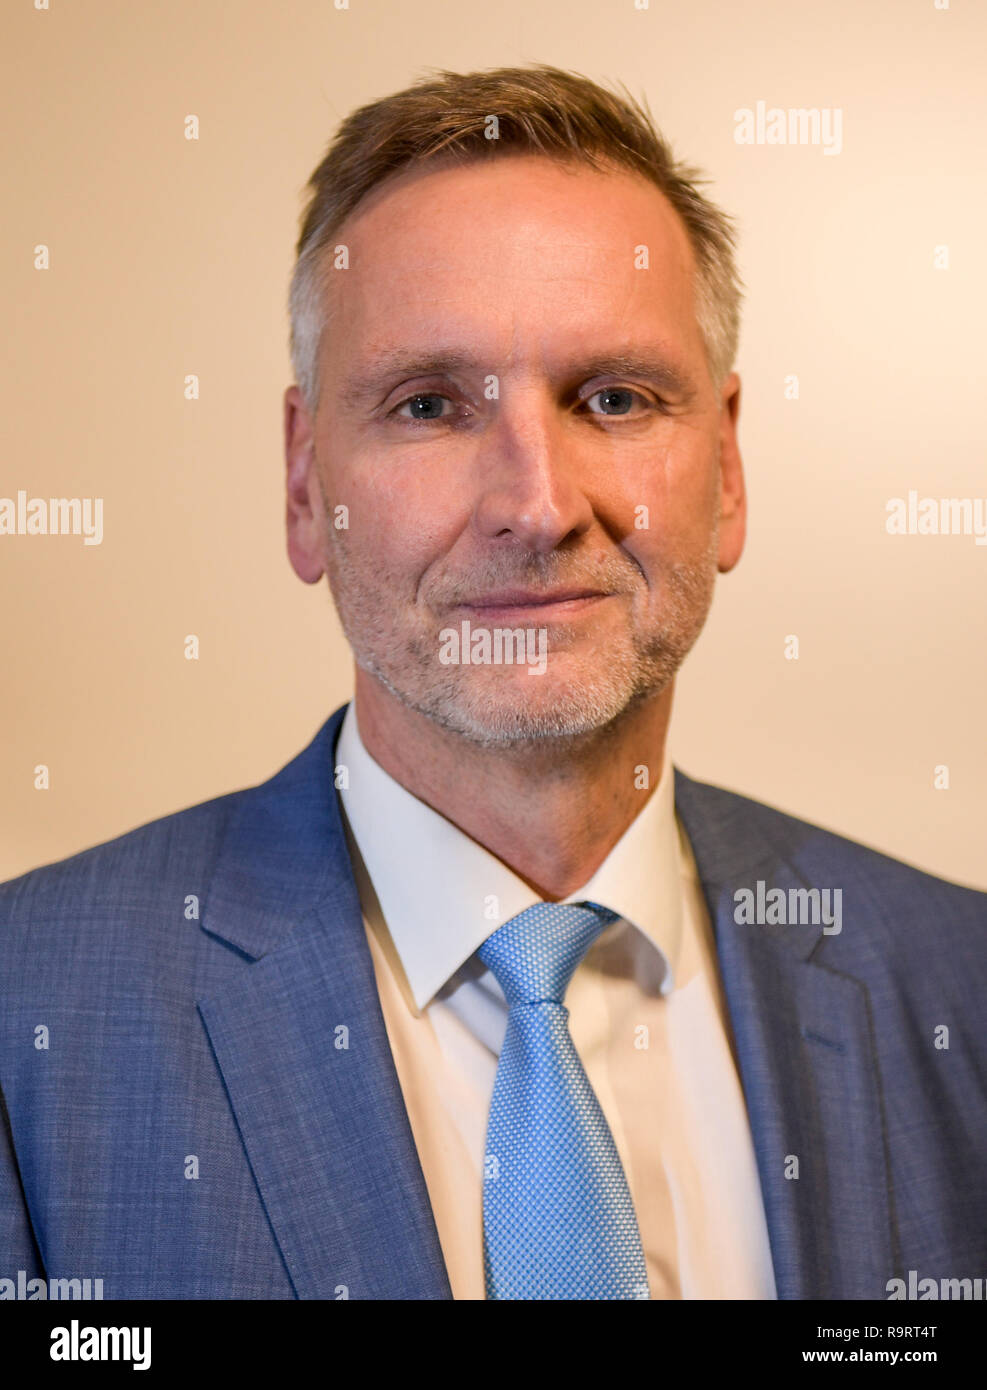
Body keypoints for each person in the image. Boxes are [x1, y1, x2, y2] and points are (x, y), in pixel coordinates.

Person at [1, 65, 984, 1303]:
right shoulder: (24, 1015)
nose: (536, 505)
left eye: (615, 398)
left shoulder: (963, 979)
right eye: (430, 406)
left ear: (727, 470)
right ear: (306, 487)